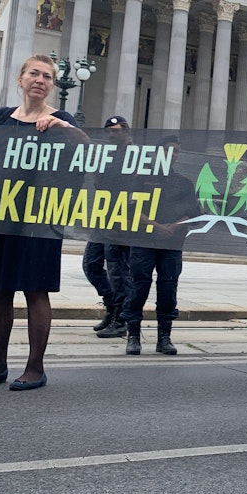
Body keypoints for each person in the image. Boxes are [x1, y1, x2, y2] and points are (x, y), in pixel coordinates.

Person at [0, 54, 83, 390]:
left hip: (40, 218)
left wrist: (65, 128)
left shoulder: (61, 119)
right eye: (34, 73)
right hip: (0, 214)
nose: (40, 80)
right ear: (20, 79)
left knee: (35, 289)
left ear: (52, 85)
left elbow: (88, 149)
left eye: (47, 76)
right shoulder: (0, 118)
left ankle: (35, 368)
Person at [121, 135, 200, 356]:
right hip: (143, 241)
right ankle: (133, 336)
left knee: (168, 289)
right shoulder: (141, 180)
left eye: (176, 151)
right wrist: (156, 226)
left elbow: (194, 213)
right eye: (169, 150)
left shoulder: (184, 183)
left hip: (172, 244)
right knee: (138, 287)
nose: (173, 155)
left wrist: (173, 227)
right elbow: (132, 210)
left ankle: (164, 337)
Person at [88, 115, 134, 339]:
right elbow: (99, 184)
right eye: (109, 131)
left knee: (117, 270)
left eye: (117, 130)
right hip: (103, 215)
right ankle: (111, 306)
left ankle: (120, 319)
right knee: (91, 264)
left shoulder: (134, 155)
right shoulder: (105, 155)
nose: (112, 134)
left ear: (126, 132)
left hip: (123, 217)